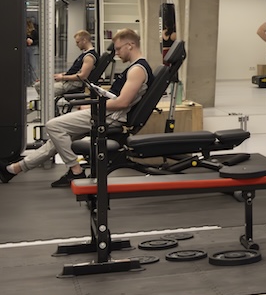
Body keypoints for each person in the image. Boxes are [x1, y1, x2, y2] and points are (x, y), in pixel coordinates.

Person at [1, 28, 152, 187]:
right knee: (56, 141)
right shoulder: (135, 67)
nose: (116, 53)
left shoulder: (137, 70)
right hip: (106, 111)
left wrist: (92, 106)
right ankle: (12, 170)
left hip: (109, 116)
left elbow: (122, 102)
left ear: (130, 45)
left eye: (118, 48)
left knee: (53, 126)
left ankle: (76, 171)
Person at [52, 30, 99, 106]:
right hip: (68, 81)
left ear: (84, 40)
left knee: (43, 89)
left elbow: (82, 76)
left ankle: (46, 110)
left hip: (73, 84)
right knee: (41, 84)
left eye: (78, 42)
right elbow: (75, 71)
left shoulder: (89, 57)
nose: (76, 45)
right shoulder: (84, 54)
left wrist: (63, 78)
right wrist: (57, 75)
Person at [25, 17, 38, 87]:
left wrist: (32, 41)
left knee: (33, 66)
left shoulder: (34, 32)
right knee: (26, 66)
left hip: (32, 48)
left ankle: (34, 81)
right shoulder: (23, 32)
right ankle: (27, 82)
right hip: (25, 48)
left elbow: (38, 40)